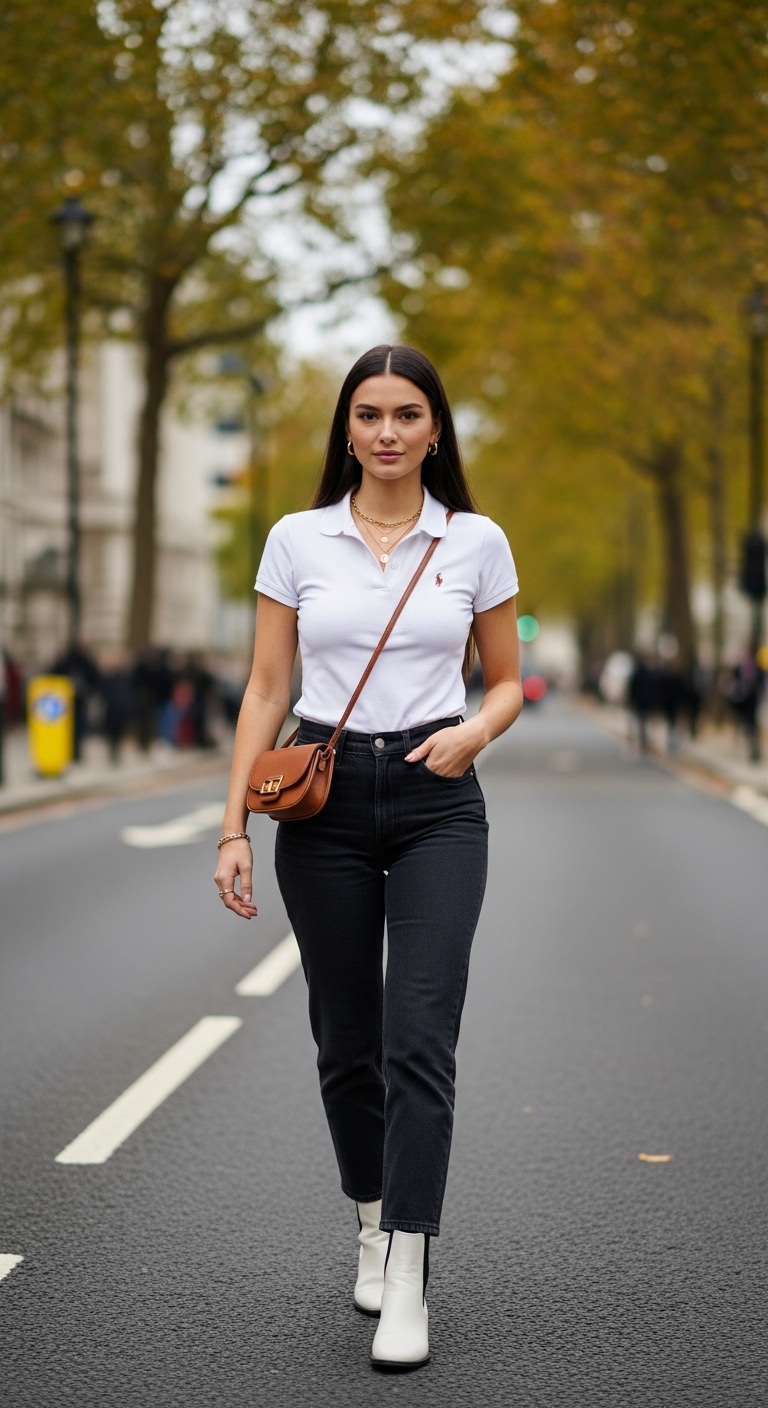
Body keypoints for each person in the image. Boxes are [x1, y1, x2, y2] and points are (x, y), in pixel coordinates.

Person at [214, 345, 522, 1371]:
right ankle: (369, 1215)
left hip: (440, 799)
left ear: (436, 429)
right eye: (369, 413)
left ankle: (406, 1268)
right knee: (346, 1039)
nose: (387, 431)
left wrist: (476, 733)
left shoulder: (474, 540)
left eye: (407, 413)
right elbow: (266, 688)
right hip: (326, 801)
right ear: (346, 429)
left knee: (418, 1038)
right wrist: (233, 827)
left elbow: (509, 682)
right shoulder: (297, 537)